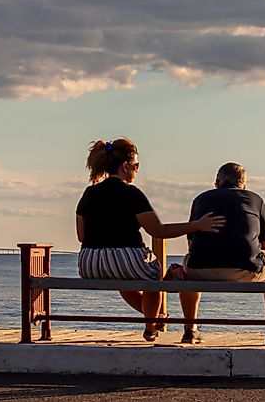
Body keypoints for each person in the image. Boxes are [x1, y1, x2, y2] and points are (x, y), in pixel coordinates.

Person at [76, 138, 225, 341]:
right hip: (125, 257)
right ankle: (150, 327)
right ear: (125, 166)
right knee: (153, 276)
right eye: (136, 166)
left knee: (123, 279)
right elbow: (158, 230)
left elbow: (81, 236)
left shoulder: (89, 192)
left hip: (89, 263)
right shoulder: (131, 194)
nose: (137, 170)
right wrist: (197, 225)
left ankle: (155, 319)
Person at [180, 162, 265, 346]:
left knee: (185, 267)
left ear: (217, 183)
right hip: (246, 270)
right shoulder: (255, 199)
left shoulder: (201, 199)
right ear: (243, 184)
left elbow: (191, 243)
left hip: (200, 269)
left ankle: (190, 330)